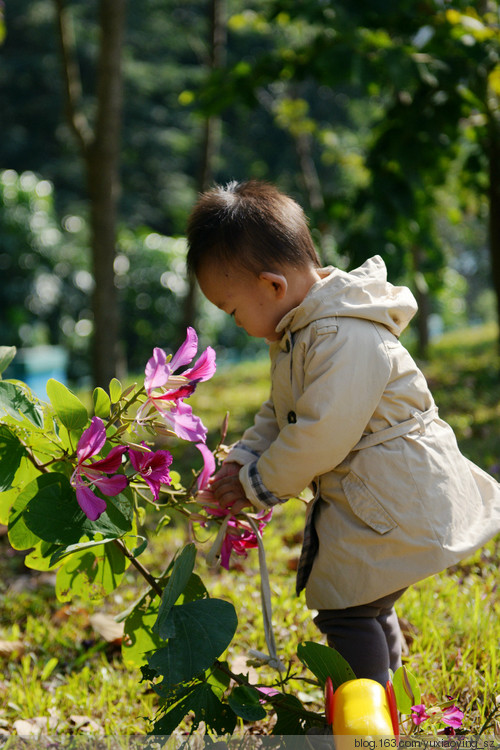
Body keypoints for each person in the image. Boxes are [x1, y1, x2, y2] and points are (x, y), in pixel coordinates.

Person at [186, 179, 500, 686]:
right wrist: (244, 458)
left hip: (397, 494)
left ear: (272, 286)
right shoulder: (303, 330)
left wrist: (258, 485)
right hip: (377, 493)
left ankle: (363, 716)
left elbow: (321, 432)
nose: (237, 323)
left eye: (232, 309)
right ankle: (384, 697)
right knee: (363, 603)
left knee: (349, 610)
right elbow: (282, 411)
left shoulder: (342, 334)